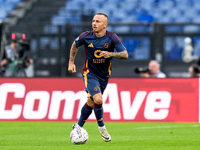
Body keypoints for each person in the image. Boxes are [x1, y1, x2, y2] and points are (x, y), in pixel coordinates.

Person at [68, 13, 128, 142]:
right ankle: (101, 127)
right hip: (89, 73)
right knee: (98, 99)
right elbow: (75, 44)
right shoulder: (86, 36)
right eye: (93, 21)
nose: (94, 23)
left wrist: (110, 54)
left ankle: (78, 126)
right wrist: (71, 62)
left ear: (105, 24)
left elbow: (125, 54)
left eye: (98, 21)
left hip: (104, 75)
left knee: (91, 101)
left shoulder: (112, 38)